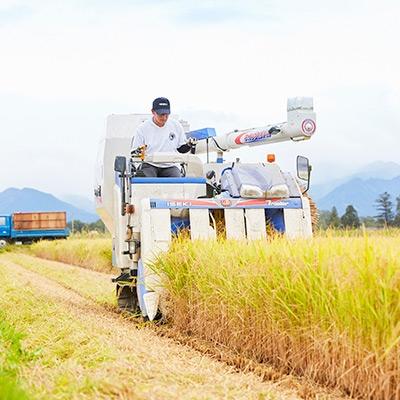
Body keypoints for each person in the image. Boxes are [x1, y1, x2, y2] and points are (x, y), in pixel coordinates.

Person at [131, 97, 195, 177]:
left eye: (166, 114)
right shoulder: (142, 129)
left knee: (177, 182)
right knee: (146, 182)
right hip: (150, 165)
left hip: (170, 165)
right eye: (161, 114)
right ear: (153, 112)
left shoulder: (176, 126)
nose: (164, 118)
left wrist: (189, 145)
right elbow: (135, 153)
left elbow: (180, 148)